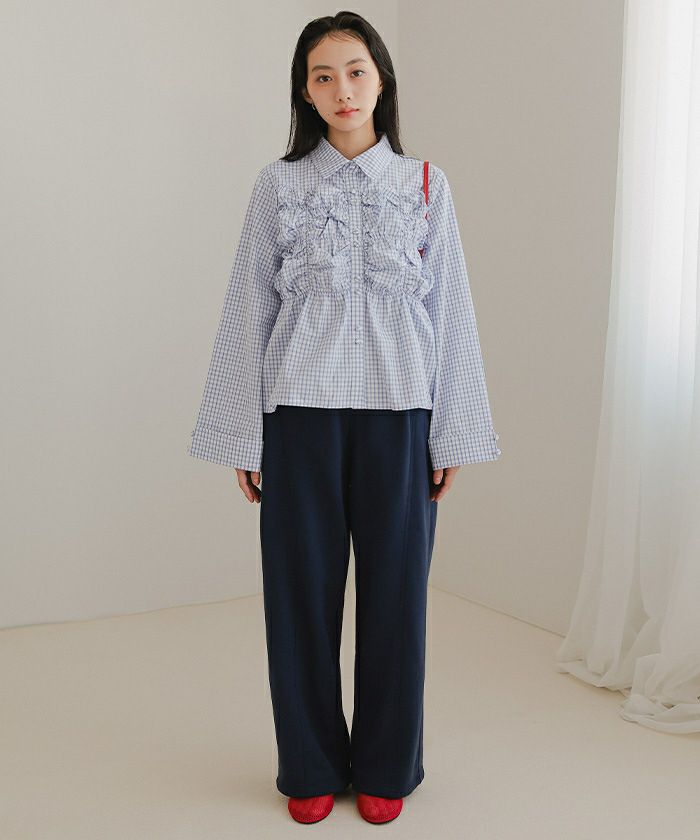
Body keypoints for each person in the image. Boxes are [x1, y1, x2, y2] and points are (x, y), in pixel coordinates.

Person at [187, 10, 502, 826]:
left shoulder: (426, 184)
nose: (342, 90)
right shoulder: (279, 186)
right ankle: (310, 764)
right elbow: (248, 308)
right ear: (305, 92)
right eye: (323, 76)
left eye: (356, 71)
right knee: (299, 596)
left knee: (397, 599)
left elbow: (450, 311)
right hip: (299, 417)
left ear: (382, 79)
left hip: (401, 417)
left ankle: (389, 764)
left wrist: (451, 430)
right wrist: (244, 434)